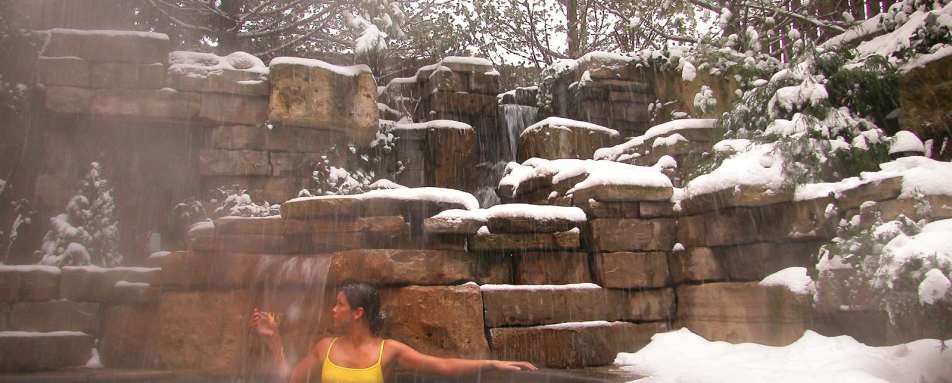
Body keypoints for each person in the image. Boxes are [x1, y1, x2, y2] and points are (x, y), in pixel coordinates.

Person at [251, 280, 537, 383]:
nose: (333, 310)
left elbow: (443, 366)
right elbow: (291, 380)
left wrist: (492, 363)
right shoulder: (325, 347)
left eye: (339, 305)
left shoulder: (388, 351)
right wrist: (274, 340)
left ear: (357, 313)